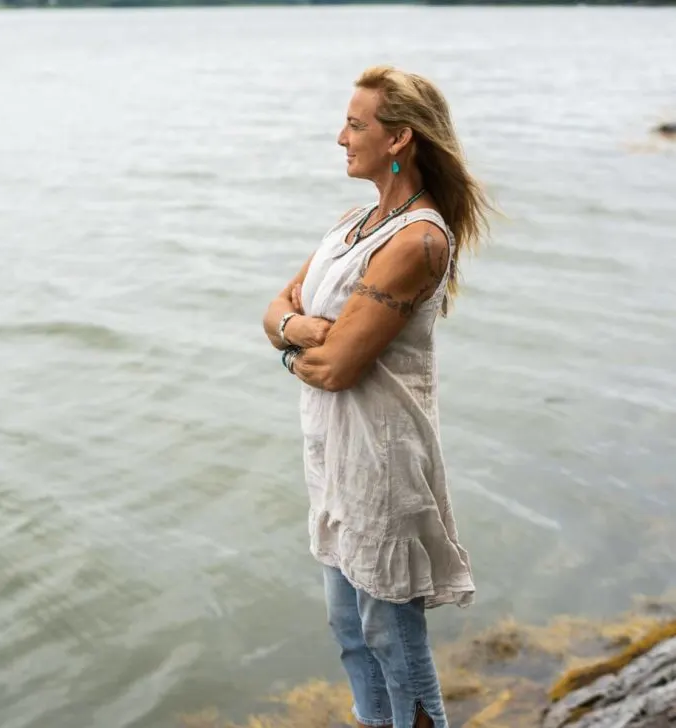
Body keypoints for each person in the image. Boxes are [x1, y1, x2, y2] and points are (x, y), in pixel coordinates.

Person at [263, 65, 490, 728]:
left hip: (382, 463)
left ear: (399, 139)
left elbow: (335, 369)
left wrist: (296, 340)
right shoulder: (350, 225)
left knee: (393, 638)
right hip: (334, 457)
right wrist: (298, 330)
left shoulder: (418, 239)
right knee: (348, 627)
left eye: (356, 125)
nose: (341, 136)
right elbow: (275, 310)